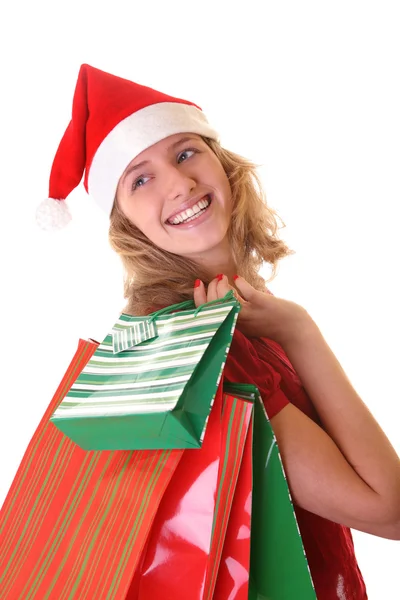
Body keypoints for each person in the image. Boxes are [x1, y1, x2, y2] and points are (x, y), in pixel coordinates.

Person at [38, 63, 400, 599]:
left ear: (223, 164)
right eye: (141, 178)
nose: (180, 183)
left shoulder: (245, 317)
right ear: (125, 223)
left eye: (186, 153)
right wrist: (302, 331)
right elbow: (387, 508)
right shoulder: (203, 342)